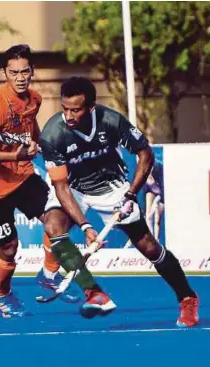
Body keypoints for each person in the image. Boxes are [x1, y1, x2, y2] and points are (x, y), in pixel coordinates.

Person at [39, 76, 199, 327]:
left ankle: (187, 297)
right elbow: (61, 186)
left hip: (113, 187)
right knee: (53, 226)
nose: (69, 116)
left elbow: (144, 154)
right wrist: (85, 226)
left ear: (90, 108)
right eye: (65, 108)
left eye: (76, 110)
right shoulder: (51, 134)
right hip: (75, 189)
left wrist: (131, 193)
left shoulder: (110, 121)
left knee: (149, 247)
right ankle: (94, 293)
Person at [0, 45, 108, 318]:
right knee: (9, 248)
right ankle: (1, 295)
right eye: (13, 72)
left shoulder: (34, 99)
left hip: (22, 177)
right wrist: (15, 154)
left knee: (59, 217)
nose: (20, 77)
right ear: (4, 73)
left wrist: (53, 152)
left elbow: (33, 133)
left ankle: (49, 274)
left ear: (32, 71)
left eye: (24, 71)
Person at [144, 159, 165, 240]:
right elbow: (145, 192)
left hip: (162, 194)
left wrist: (157, 201)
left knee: (157, 219)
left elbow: (164, 189)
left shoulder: (159, 168)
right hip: (152, 190)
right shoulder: (143, 173)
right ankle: (151, 240)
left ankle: (157, 240)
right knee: (148, 217)